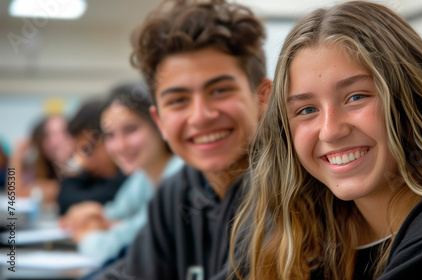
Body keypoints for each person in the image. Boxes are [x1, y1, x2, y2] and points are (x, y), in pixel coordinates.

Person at [229, 1, 422, 279]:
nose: (330, 130)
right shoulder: (306, 239)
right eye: (306, 110)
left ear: (413, 99)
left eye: (356, 97)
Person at [93, 0, 270, 279]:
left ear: (262, 98)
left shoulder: (289, 191)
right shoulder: (176, 193)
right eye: (178, 100)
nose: (200, 116)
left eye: (220, 90)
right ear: (160, 121)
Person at [61, 82, 183, 264]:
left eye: (131, 130)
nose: (120, 146)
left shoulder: (180, 175)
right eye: (110, 135)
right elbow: (115, 215)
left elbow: (121, 243)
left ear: (159, 123)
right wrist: (98, 216)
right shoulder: (142, 176)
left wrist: (85, 236)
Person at [57, 99, 127, 215]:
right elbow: (64, 204)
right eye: (77, 150)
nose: (84, 161)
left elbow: (72, 203)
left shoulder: (129, 177)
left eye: (87, 149)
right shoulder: (89, 175)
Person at [9, 115, 75, 205]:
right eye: (49, 135)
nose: (58, 140)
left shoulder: (81, 166)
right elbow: (14, 195)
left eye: (64, 132)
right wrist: (17, 156)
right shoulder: (39, 170)